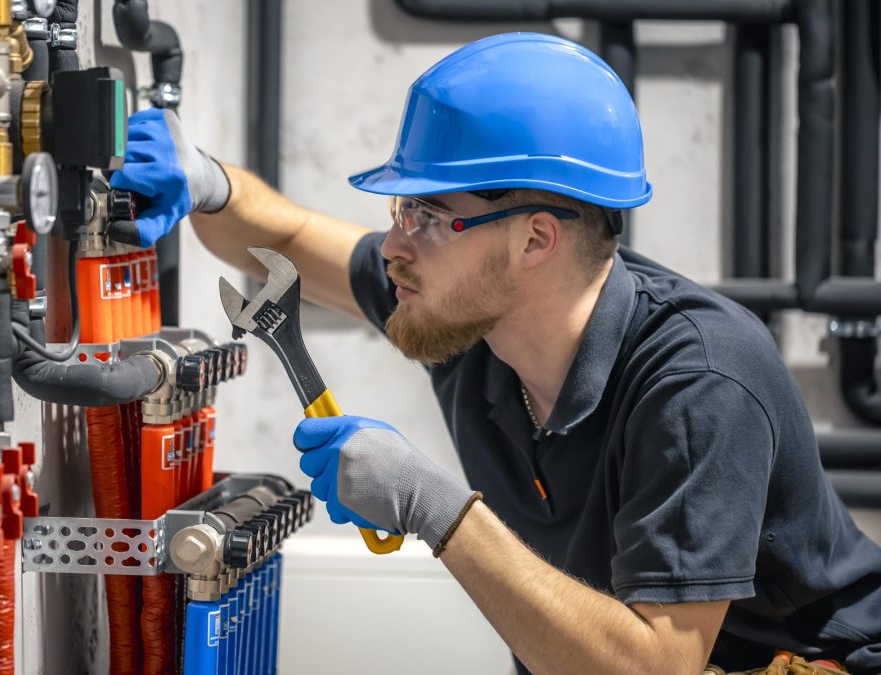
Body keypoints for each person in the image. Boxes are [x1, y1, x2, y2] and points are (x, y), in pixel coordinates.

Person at [110, 32, 881, 675]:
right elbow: (278, 236)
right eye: (400, 207)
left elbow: (655, 666)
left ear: (536, 239)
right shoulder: (465, 314)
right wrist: (208, 184)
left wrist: (435, 505)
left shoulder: (699, 384)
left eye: (428, 212)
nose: (396, 245)